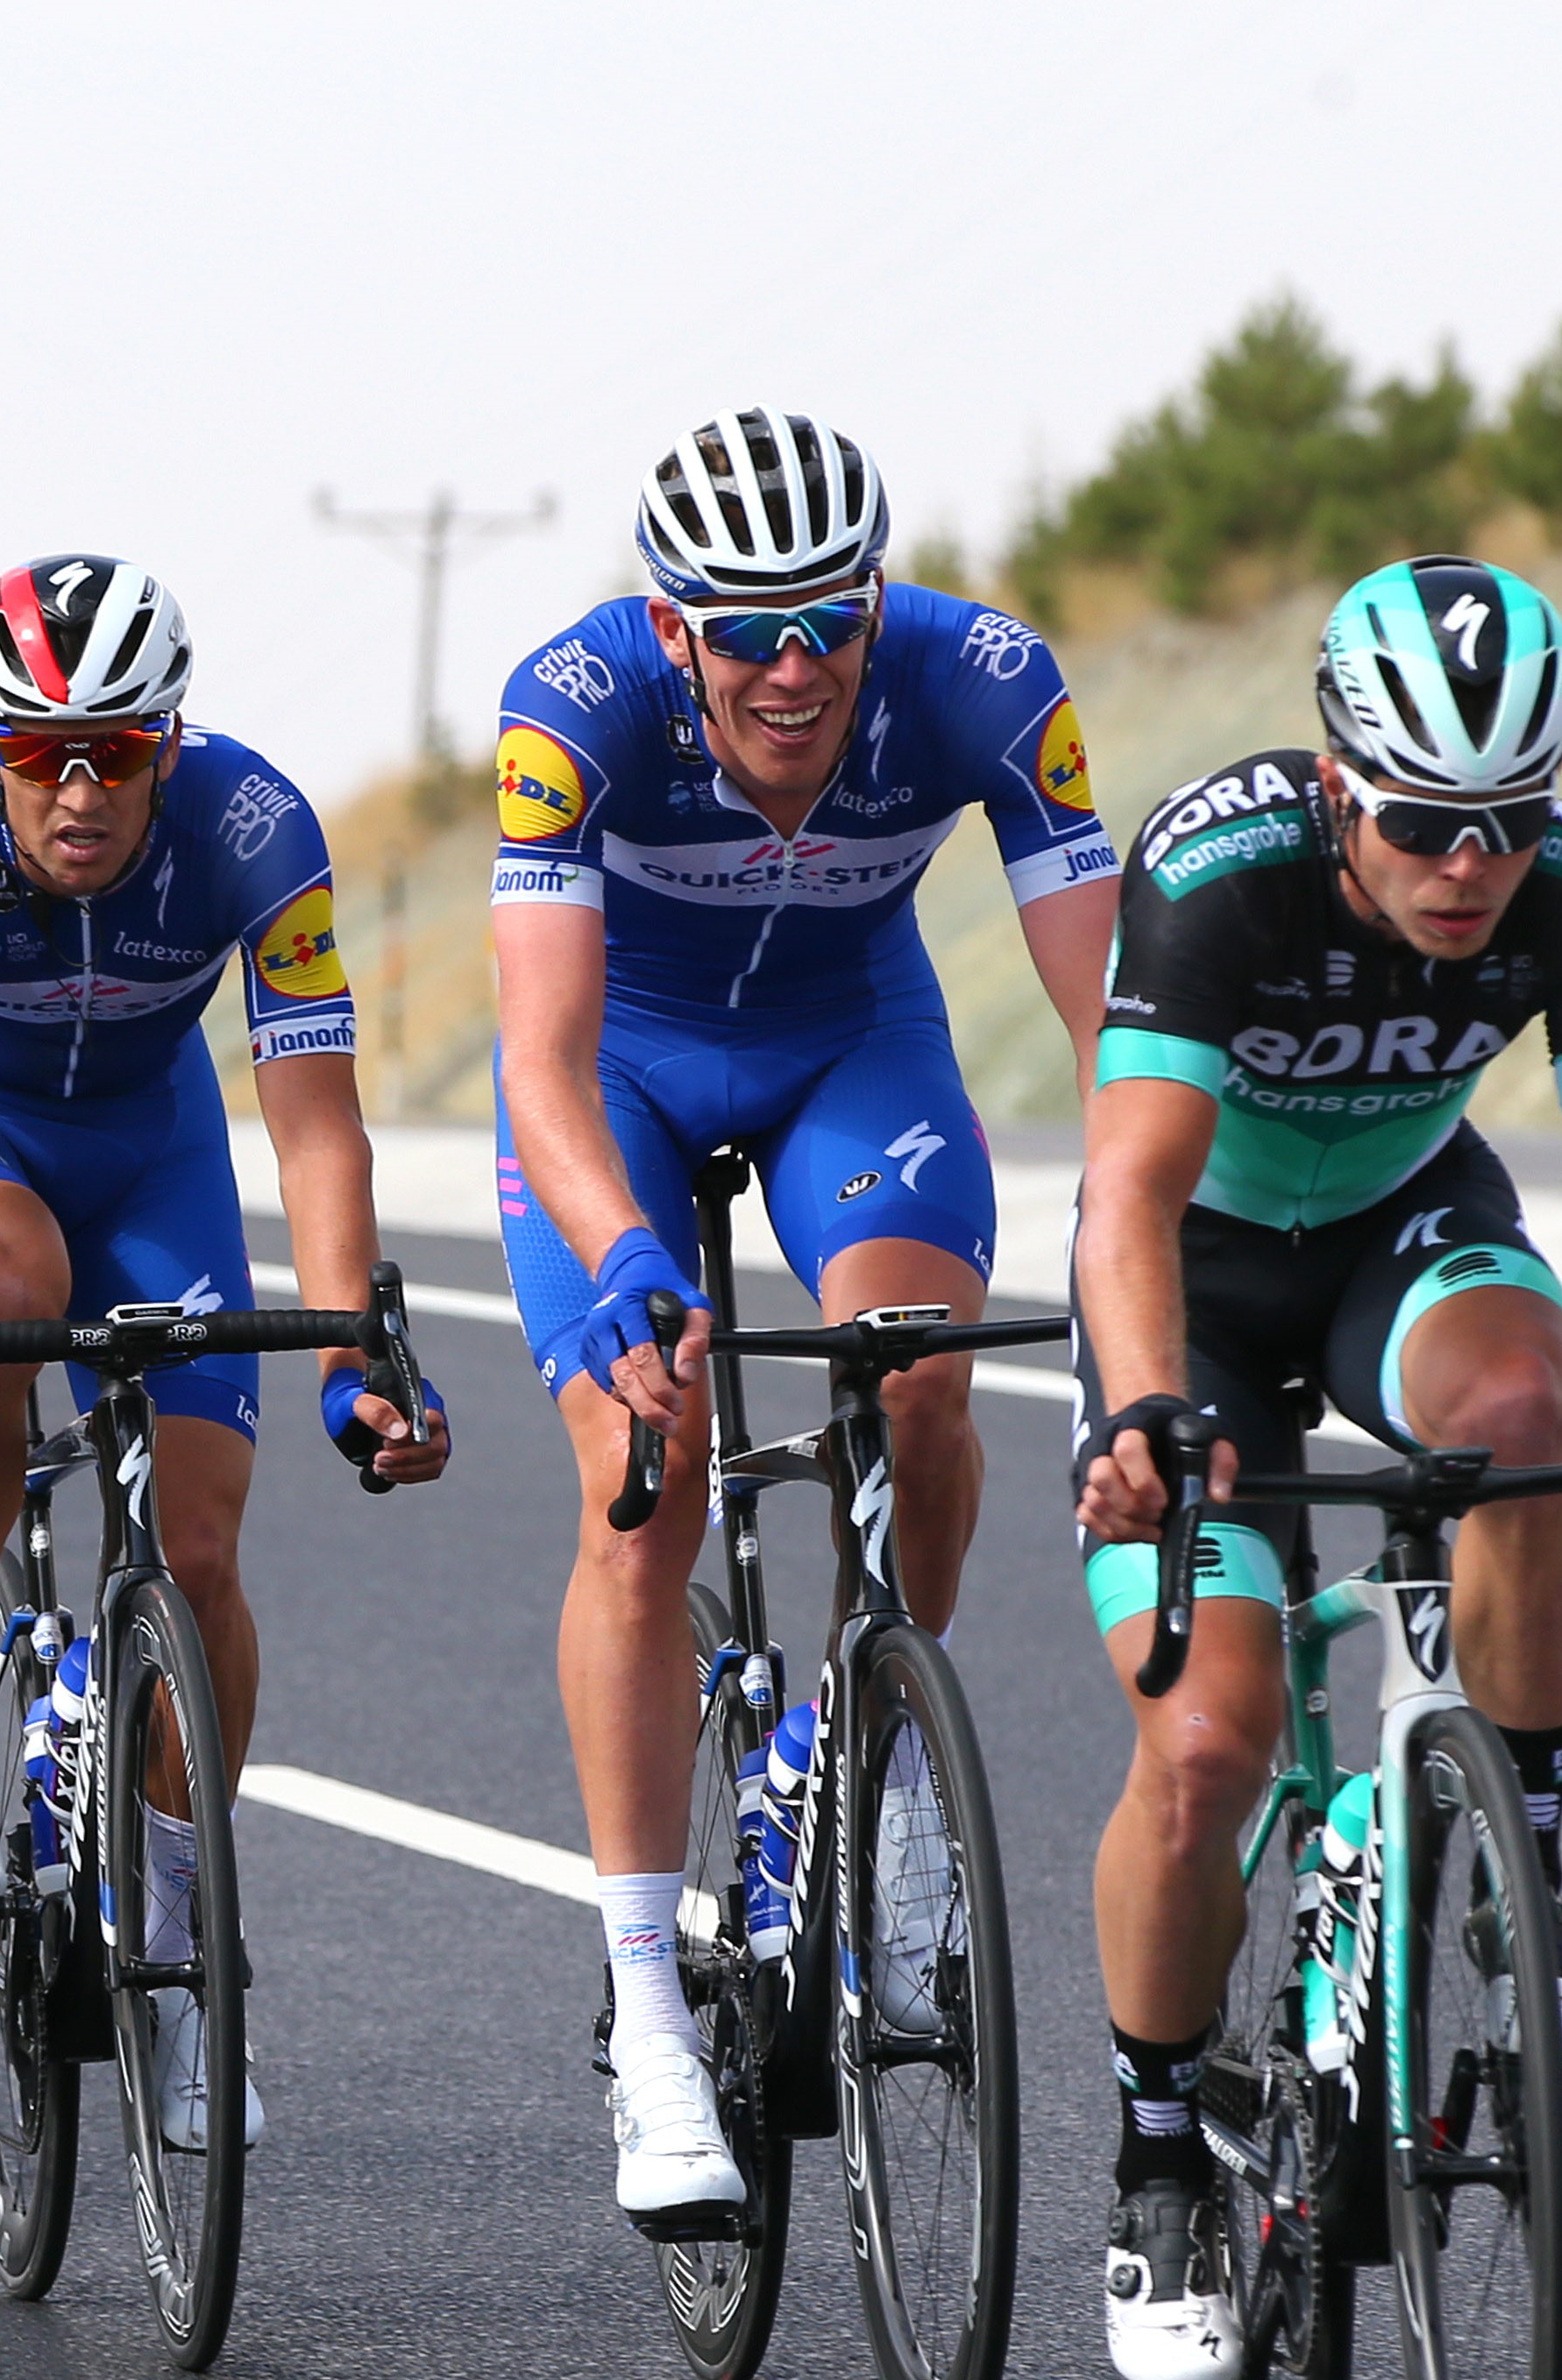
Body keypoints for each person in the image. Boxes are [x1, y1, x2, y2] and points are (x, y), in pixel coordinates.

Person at [1066, 555, 1562, 2380]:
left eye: (1507, 823)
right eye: (1424, 824)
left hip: (1402, 1228)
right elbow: (1132, 1193)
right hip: (1203, 1292)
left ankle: (1523, 1863)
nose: (1469, 867)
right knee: (1209, 1745)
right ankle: (1157, 2149)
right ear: (1337, 783)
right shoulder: (1216, 870)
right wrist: (1145, 1411)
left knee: (1527, 1428)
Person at [490, 407, 1122, 2226]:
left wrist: (1141, 1233)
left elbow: (1113, 1029)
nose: (793, 667)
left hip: (856, 1042)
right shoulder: (574, 703)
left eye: (826, 622)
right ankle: (651, 2021)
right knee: (646, 1457)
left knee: (922, 1385)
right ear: (671, 629)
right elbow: (537, 1061)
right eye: (743, 629)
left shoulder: (986, 680)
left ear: (874, 606)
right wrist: (620, 1253)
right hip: (621, 1075)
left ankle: (879, 1762)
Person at [0, 554, 447, 2149]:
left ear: (172, 742)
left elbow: (314, 1128)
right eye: (41, 752)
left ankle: (175, 1937)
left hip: (156, 1148)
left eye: (118, 748)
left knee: (203, 1550)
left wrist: (350, 1352)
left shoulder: (255, 828)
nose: (82, 786)